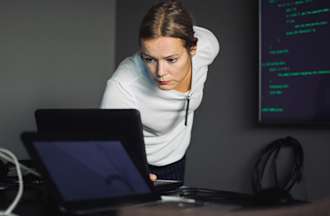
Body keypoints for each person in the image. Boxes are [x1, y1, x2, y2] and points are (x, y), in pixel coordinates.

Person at [101, 0, 219, 182]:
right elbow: (107, 149)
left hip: (177, 159)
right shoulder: (123, 85)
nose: (160, 73)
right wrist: (129, 173)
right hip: (139, 164)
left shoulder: (207, 46)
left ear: (193, 49)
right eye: (149, 59)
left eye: (171, 60)